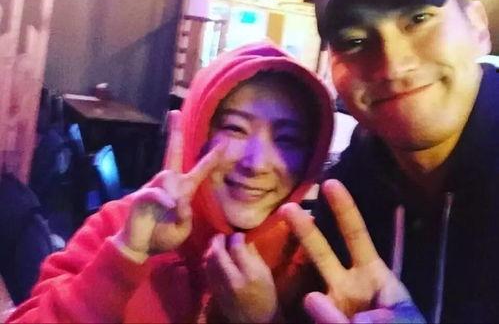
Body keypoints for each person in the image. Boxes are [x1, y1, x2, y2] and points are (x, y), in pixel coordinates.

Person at [8, 42, 334, 323]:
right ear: (197, 132)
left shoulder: (306, 262)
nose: (257, 163)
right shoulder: (122, 226)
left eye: (288, 139)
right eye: (235, 128)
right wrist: (126, 257)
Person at [307, 0, 499, 323]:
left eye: (418, 19)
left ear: (478, 27)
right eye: (354, 40)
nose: (393, 66)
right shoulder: (347, 192)